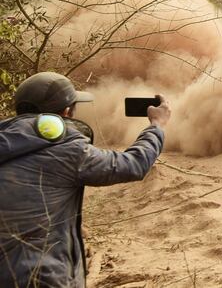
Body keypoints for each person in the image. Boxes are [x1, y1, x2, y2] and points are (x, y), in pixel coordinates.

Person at [0, 72, 171, 288]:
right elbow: (133, 164)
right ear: (66, 112)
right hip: (44, 279)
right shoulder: (67, 151)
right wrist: (157, 125)